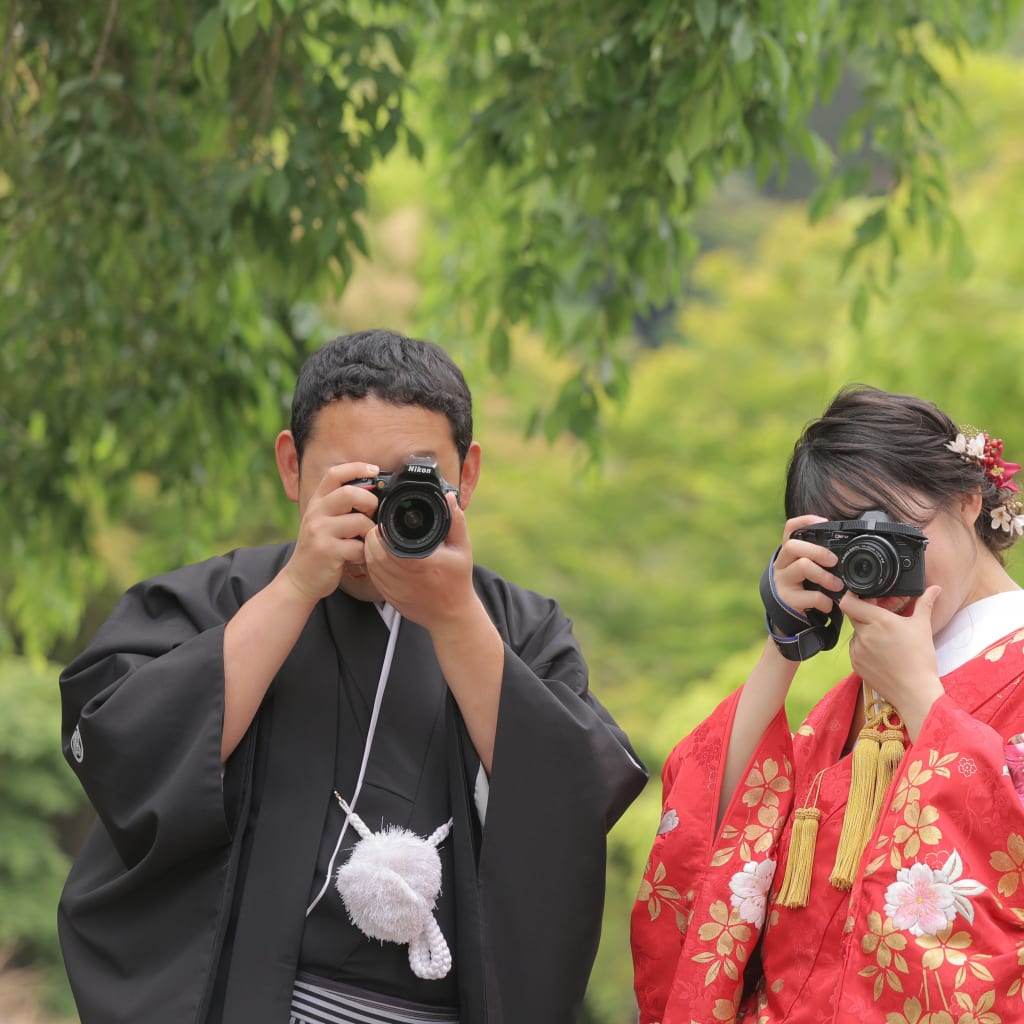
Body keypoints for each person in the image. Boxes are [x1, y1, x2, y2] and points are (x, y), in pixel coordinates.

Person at [58, 329, 647, 1024]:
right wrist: (296, 588)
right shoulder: (222, 600)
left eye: (411, 479)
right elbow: (123, 750)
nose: (378, 507)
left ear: (470, 475)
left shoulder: (515, 628)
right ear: (290, 466)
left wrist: (456, 621)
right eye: (352, 480)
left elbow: (576, 803)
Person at [631, 385, 1024, 1023]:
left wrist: (922, 698)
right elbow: (712, 845)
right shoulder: (848, 703)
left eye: (894, 527)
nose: (877, 560)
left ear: (967, 500)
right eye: (850, 540)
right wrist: (784, 646)